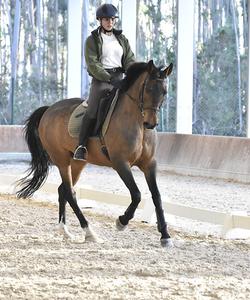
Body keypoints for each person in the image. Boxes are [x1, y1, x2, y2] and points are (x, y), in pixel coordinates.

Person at [73, 3, 136, 161]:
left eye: (113, 19)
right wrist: (109, 78)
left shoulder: (121, 39)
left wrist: (132, 73)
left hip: (120, 78)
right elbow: (93, 64)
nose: (110, 22)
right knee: (93, 109)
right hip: (102, 80)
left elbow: (129, 59)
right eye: (107, 19)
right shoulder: (92, 40)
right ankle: (81, 146)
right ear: (100, 20)